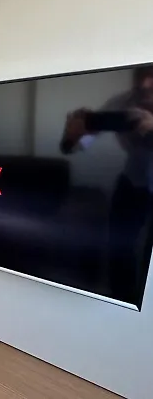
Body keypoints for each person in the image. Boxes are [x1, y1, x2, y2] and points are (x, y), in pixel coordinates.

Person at [60, 66, 153, 305]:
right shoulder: (122, 103)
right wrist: (72, 134)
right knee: (119, 250)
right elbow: (75, 145)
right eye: (141, 76)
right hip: (133, 182)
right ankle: (119, 304)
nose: (145, 84)